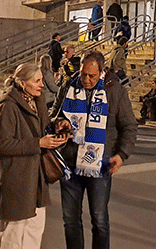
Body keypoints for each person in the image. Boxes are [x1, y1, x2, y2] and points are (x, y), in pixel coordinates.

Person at [53, 50, 137, 249]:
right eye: (83, 74)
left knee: (99, 219)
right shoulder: (69, 86)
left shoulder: (115, 91)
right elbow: (54, 112)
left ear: (101, 72)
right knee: (70, 220)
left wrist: (122, 154)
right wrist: (59, 122)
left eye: (91, 75)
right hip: (70, 163)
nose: (86, 79)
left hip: (100, 164)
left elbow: (129, 126)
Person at [0, 63, 69, 249]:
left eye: (42, 80)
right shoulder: (8, 108)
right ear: (22, 84)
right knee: (14, 233)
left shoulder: (38, 101)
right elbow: (4, 145)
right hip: (18, 177)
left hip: (37, 177)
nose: (42, 85)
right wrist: (38, 144)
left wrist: (57, 125)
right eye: (37, 81)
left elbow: (43, 127)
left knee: (34, 230)